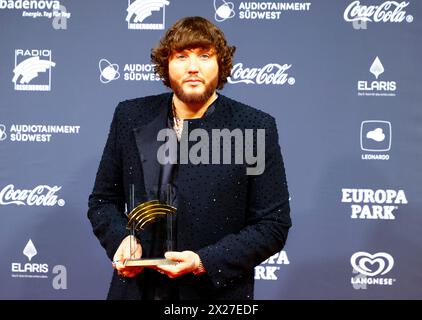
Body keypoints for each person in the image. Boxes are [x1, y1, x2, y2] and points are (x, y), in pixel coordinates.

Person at [87, 16, 291, 300]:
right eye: (182, 56)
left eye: (204, 56)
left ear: (220, 64)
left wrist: (204, 260)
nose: (193, 67)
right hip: (136, 291)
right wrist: (122, 239)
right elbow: (102, 201)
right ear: (166, 64)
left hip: (213, 295)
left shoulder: (255, 126)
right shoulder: (130, 116)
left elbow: (272, 225)